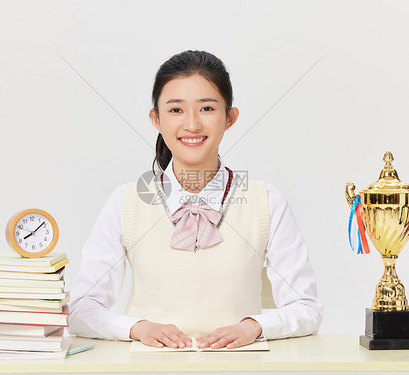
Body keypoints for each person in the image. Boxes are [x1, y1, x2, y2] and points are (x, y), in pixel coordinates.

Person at [68, 50, 323, 350]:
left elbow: (307, 308)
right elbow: (81, 311)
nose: (191, 125)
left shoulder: (266, 201)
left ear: (230, 118)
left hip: (241, 368)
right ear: (156, 119)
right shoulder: (126, 201)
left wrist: (255, 326)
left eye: (206, 109)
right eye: (176, 110)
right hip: (150, 370)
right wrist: (138, 328)